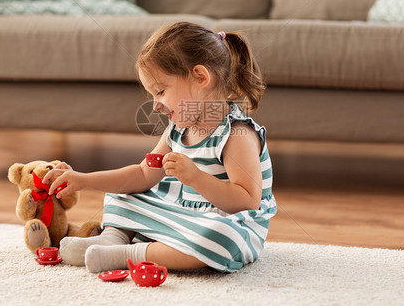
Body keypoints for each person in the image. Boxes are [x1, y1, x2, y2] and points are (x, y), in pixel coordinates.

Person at [44, 22, 276, 273]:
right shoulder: (177, 129)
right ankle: (113, 238)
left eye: (161, 91)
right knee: (123, 191)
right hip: (180, 211)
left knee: (220, 237)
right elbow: (142, 175)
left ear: (200, 77)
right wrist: (84, 180)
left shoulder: (236, 133)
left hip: (223, 219)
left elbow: (248, 201)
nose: (156, 105)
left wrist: (195, 178)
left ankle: (127, 254)